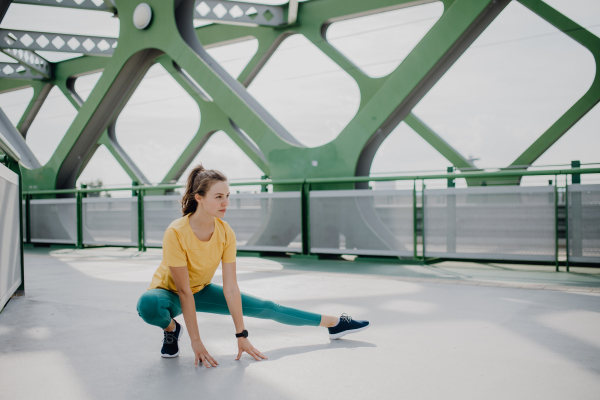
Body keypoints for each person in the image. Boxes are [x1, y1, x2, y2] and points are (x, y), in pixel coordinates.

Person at [136, 165, 369, 368]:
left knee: (267, 307)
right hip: (170, 293)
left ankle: (335, 323)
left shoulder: (226, 232)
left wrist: (241, 334)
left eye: (227, 195)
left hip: (201, 290)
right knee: (148, 305)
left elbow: (230, 288)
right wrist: (195, 341)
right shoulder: (176, 232)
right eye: (218, 197)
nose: (226, 202)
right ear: (199, 197)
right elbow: (184, 291)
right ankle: (171, 330)